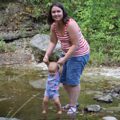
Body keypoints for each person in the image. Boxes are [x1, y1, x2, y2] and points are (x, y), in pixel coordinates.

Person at [43, 2, 90, 115]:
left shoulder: (70, 24)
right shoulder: (54, 26)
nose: (56, 14)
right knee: (63, 80)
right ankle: (73, 102)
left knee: (72, 81)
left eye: (58, 11)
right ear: (51, 14)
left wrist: (64, 59)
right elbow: (53, 41)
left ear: (63, 12)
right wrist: (46, 55)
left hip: (79, 54)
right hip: (68, 53)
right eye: (53, 12)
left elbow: (75, 45)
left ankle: (73, 106)